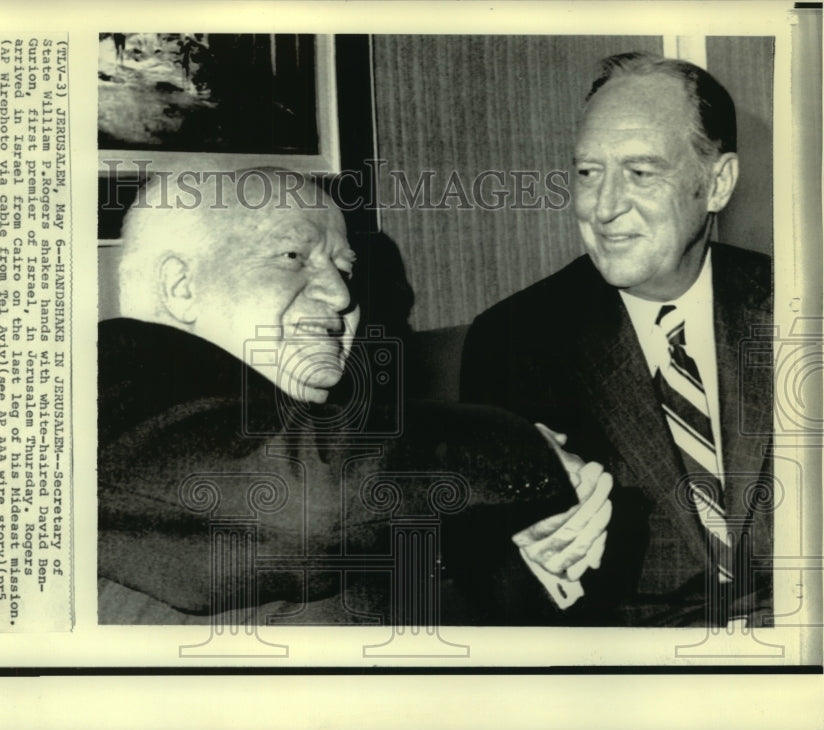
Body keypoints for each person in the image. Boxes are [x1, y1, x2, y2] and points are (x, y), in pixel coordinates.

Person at [98, 169, 613, 625]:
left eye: (344, 270)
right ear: (181, 286)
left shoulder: (318, 441)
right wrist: (527, 447)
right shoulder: (102, 376)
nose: (342, 297)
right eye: (293, 256)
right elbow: (303, 513)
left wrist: (535, 563)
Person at [461, 52, 773, 626]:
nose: (603, 208)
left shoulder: (798, 304)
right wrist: (537, 558)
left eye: (640, 172)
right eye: (587, 173)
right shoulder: (514, 341)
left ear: (717, 182)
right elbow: (489, 571)